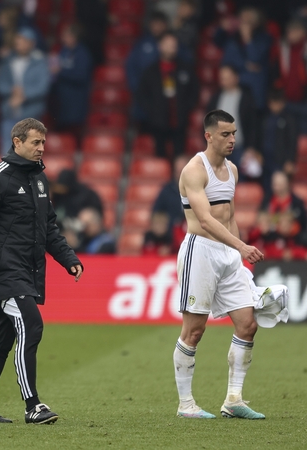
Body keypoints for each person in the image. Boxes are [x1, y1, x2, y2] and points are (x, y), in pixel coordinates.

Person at [0, 118, 83, 424]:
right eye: (35, 142)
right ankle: (33, 405)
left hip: (27, 272)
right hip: (4, 272)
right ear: (17, 142)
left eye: (43, 143)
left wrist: (68, 258)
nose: (42, 148)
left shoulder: (39, 180)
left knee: (2, 340)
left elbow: (48, 228)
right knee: (31, 324)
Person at [173, 109, 265, 420]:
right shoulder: (193, 171)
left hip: (228, 254)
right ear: (208, 136)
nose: (232, 139)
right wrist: (241, 246)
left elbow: (231, 216)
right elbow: (205, 220)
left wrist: (239, 258)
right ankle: (186, 405)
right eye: (226, 134)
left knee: (248, 325)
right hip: (201, 252)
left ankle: (234, 399)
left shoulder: (233, 170)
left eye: (234, 133)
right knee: (194, 331)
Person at [137, 32, 199, 158]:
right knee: (160, 158)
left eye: (174, 45)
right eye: (168, 44)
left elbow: (194, 91)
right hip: (158, 123)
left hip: (180, 123)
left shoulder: (185, 68)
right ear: (160, 46)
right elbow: (142, 95)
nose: (172, 48)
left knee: (180, 160)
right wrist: (153, 112)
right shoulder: (150, 71)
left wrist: (185, 108)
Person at [0, 28, 50, 155]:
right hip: (10, 113)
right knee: (7, 153)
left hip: (31, 116)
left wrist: (24, 95)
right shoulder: (8, 60)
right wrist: (12, 91)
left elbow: (42, 87)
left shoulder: (40, 62)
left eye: (23, 40)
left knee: (30, 154)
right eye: (18, 39)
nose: (19, 42)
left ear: (31, 43)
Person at [206, 65, 258, 167]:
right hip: (219, 150)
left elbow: (253, 125)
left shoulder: (246, 98)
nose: (224, 81)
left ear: (236, 78)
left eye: (227, 77)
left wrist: (251, 147)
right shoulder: (215, 98)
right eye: (222, 78)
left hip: (239, 148)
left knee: (239, 180)